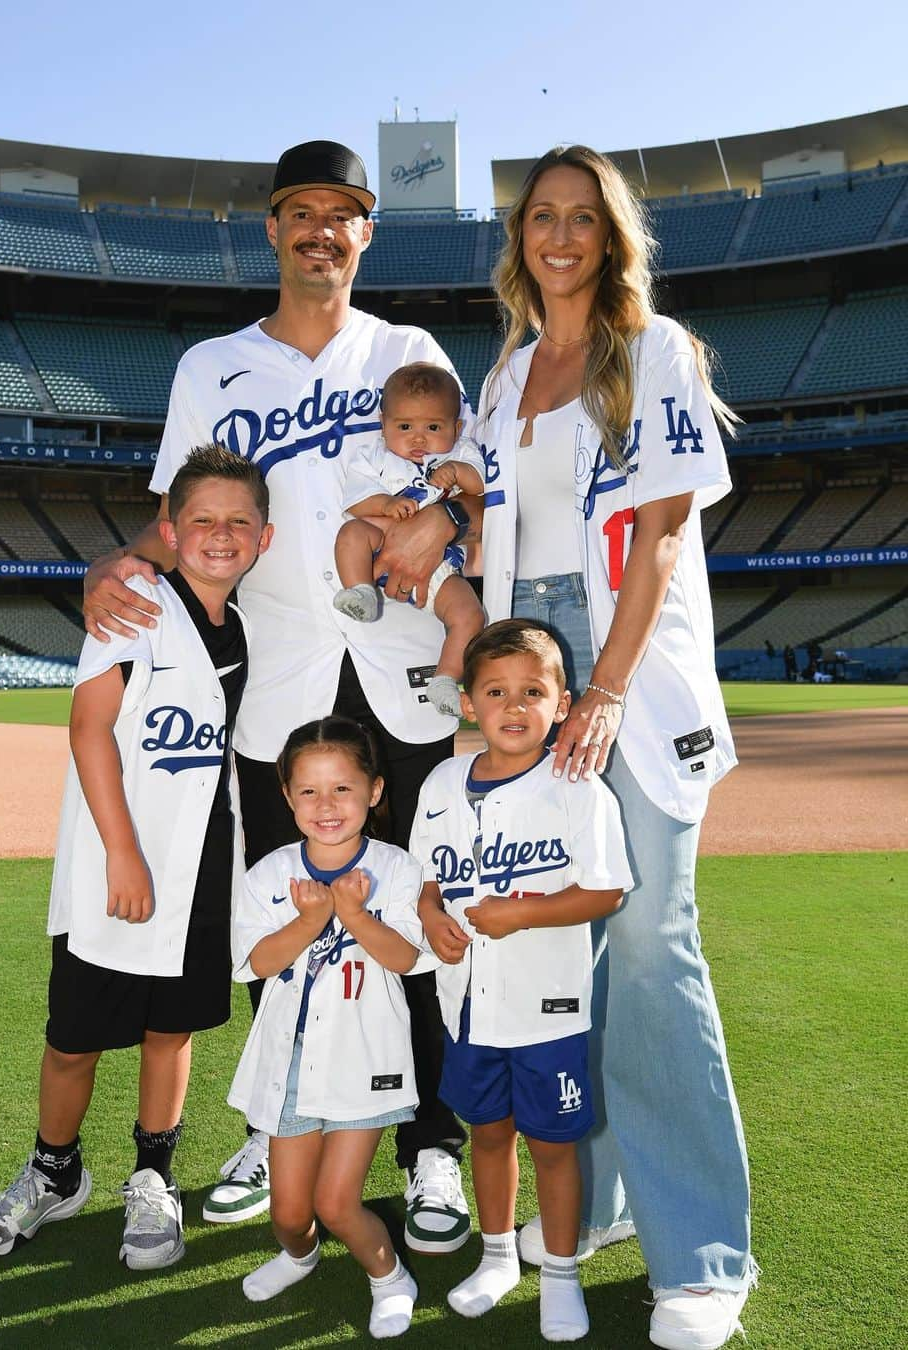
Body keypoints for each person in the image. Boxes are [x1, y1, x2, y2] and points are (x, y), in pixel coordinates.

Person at [81, 141, 472, 1253]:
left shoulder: (407, 349)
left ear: (366, 233)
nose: (320, 231)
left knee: (416, 909)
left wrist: (441, 520)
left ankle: (429, 1140)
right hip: (274, 685)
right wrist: (113, 562)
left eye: (341, 215)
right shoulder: (214, 363)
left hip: (404, 677)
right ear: (272, 230)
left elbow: (463, 480)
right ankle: (280, 1125)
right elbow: (182, 515)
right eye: (300, 213)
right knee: (287, 911)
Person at [477, 145, 756, 1350]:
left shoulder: (657, 351)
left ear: (612, 233)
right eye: (542, 215)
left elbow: (653, 537)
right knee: (566, 945)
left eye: (583, 217)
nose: (560, 235)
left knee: (649, 945)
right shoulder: (502, 376)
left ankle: (703, 1252)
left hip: (619, 665)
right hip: (527, 658)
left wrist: (603, 686)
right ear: (520, 235)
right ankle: (595, 1198)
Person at [0, 446, 272, 1268]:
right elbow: (90, 727)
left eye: (240, 521)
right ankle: (53, 1171)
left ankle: (153, 1178)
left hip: (201, 864)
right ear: (169, 530)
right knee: (74, 1038)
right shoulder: (133, 603)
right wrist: (125, 853)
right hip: (117, 863)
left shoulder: (243, 626)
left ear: (264, 540)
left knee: (171, 1032)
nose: (221, 534)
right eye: (202, 519)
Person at [411, 620, 631, 1341]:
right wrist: (431, 915)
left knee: (553, 1144)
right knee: (488, 1133)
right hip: (467, 1009)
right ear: (469, 703)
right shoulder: (443, 782)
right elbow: (426, 879)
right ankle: (499, 1256)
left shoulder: (576, 785)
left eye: (532, 692)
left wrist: (522, 914)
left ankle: (562, 1274)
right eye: (496, 691)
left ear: (562, 703)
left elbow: (604, 892)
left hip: (548, 1010)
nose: (514, 706)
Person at [228, 717, 423, 1339]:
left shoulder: (395, 868)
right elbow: (253, 964)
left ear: (374, 791)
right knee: (289, 1213)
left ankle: (389, 1275)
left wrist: (351, 913)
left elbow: (405, 958)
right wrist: (310, 921)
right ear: (286, 797)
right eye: (308, 791)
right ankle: (298, 1256)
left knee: (336, 1202)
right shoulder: (269, 873)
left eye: (343, 788)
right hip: (291, 1060)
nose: (326, 805)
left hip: (363, 1058)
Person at [334, 361, 486, 716]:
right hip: (380, 543)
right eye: (404, 426)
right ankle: (361, 591)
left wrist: (458, 472)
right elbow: (355, 502)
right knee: (351, 534)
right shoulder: (374, 457)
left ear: (456, 426)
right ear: (383, 425)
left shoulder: (460, 451)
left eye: (433, 426)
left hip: (439, 562)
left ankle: (446, 680)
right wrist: (386, 504)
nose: (419, 438)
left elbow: (481, 488)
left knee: (470, 617)